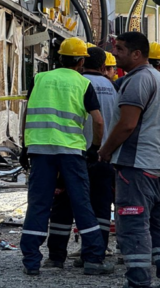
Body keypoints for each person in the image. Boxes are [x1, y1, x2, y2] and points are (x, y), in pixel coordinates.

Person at [98, 31, 160, 288]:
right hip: (158, 165)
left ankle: (138, 281)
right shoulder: (159, 78)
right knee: (156, 224)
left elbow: (127, 124)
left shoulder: (137, 81)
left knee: (132, 225)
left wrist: (105, 150)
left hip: (136, 166)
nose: (115, 53)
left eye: (120, 49)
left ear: (137, 54)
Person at [19, 37, 113, 277]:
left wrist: (24, 146)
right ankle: (93, 258)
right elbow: (98, 121)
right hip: (71, 152)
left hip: (39, 149)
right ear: (81, 61)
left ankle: (31, 260)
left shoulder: (39, 78)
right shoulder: (82, 84)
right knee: (81, 203)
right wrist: (94, 147)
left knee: (39, 204)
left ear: (59, 58)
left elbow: (27, 112)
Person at [44, 47, 118, 268]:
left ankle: (56, 256)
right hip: (104, 155)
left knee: (63, 204)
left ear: (82, 63)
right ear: (104, 66)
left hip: (73, 152)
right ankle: (94, 254)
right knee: (100, 207)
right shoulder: (113, 88)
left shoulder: (76, 83)